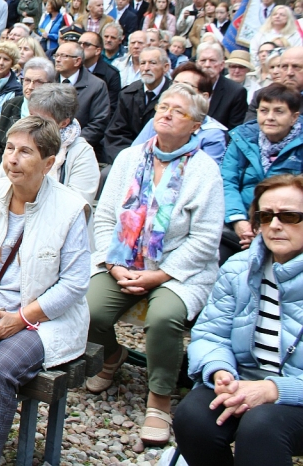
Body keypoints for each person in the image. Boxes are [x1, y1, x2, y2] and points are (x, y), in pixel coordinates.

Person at [0, 116, 90, 467]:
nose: (12, 159)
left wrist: (20, 318)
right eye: (9, 148)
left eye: (25, 152)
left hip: (42, 317)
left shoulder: (70, 209)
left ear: (49, 163)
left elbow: (74, 283)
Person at [87, 83, 224, 445]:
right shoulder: (130, 158)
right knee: (86, 308)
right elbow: (103, 219)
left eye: (178, 110)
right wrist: (114, 267)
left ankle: (159, 396)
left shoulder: (204, 170)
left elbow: (206, 239)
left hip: (177, 270)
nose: (166, 113)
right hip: (122, 261)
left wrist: (159, 275)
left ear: (196, 124)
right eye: (163, 106)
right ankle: (112, 355)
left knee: (165, 318)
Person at [173, 174, 303, 465]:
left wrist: (274, 389)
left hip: (297, 392)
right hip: (242, 379)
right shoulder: (239, 268)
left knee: (262, 427)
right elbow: (210, 333)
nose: (276, 225)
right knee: (194, 417)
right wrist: (220, 371)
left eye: (291, 216)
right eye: (266, 216)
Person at [220, 84, 303, 265]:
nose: (270, 118)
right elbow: (227, 181)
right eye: (264, 111)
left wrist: (266, 227)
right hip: (240, 226)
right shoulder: (242, 138)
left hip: (288, 225)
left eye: (279, 112)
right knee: (220, 259)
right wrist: (238, 221)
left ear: (294, 117)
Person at [0, 84, 100, 206]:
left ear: (64, 123)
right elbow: (0, 184)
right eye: (31, 115)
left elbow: (78, 204)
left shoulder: (81, 152)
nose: (33, 123)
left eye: (41, 119)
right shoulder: (20, 141)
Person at [133, 62, 228, 165]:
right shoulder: (157, 121)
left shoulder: (213, 134)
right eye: (175, 84)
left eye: (185, 87)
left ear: (204, 97)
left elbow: (206, 175)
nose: (177, 91)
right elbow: (132, 159)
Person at [0, 57, 56, 176]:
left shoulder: (52, 111)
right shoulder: (11, 105)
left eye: (38, 82)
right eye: (27, 80)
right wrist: (9, 167)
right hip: (5, 171)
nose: (31, 86)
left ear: (50, 84)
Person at [101, 46, 172, 164]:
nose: (146, 68)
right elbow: (116, 133)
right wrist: (125, 160)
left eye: (152, 63)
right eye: (142, 63)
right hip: (127, 156)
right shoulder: (127, 94)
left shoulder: (174, 96)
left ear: (165, 67)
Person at [52, 40, 111, 149]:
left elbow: (99, 123)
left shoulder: (96, 85)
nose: (58, 60)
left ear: (77, 61)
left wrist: (72, 145)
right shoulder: (48, 81)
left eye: (64, 56)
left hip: (79, 147)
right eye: (56, 55)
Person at [197, 43, 249, 130]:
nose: (207, 65)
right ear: (197, 64)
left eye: (212, 60)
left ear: (222, 65)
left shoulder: (236, 92)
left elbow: (234, 132)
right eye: (203, 60)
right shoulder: (188, 86)